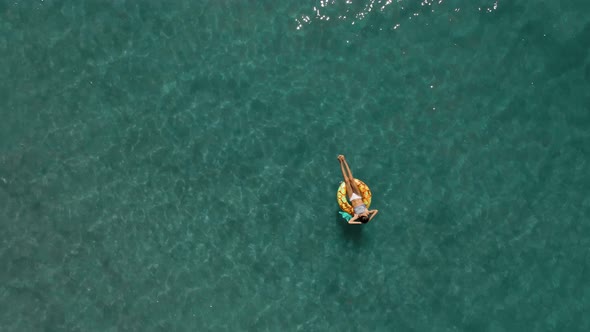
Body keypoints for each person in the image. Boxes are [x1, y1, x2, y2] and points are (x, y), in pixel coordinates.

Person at [338, 155, 378, 224]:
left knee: (347, 180)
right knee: (351, 179)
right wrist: (369, 219)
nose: (364, 214)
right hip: (358, 196)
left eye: (363, 215)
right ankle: (344, 160)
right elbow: (376, 211)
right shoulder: (367, 212)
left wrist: (359, 222)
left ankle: (340, 162)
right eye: (366, 215)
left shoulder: (356, 216)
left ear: (361, 217)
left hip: (351, 198)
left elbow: (350, 222)